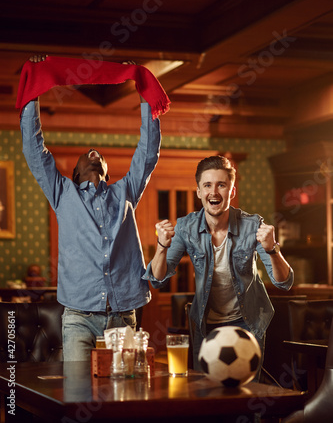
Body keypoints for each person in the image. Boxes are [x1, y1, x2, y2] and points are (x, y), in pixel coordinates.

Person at [20, 56, 161, 361]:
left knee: (123, 397)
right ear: (75, 171)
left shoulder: (125, 191)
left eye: (100, 155)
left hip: (122, 317)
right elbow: (34, 149)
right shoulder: (62, 193)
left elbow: (147, 153)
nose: (94, 153)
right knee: (79, 395)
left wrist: (145, 93)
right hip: (79, 319)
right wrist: (37, 87)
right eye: (88, 153)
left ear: (107, 172)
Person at [144, 155, 294, 373]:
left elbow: (284, 282)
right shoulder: (186, 227)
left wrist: (272, 249)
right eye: (207, 185)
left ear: (231, 192)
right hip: (205, 324)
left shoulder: (252, 225)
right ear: (198, 192)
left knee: (247, 390)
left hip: (247, 321)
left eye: (221, 185)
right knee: (205, 390)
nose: (213, 192)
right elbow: (157, 280)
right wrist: (161, 247)